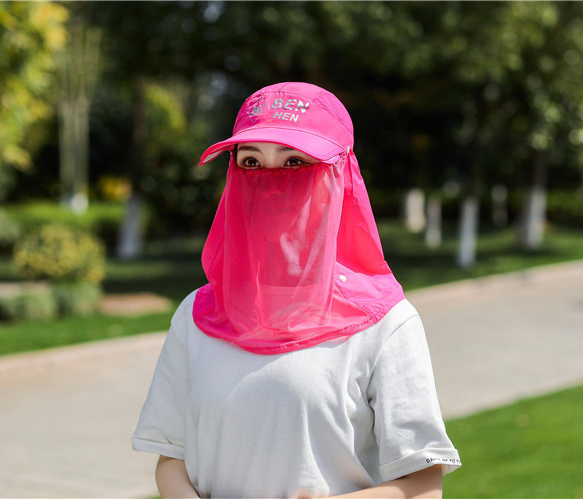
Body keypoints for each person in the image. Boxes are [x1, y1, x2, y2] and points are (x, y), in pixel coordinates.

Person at [132, 82, 461, 498]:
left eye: (294, 162)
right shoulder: (196, 315)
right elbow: (172, 457)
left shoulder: (386, 322)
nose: (270, 182)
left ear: (339, 175)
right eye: (251, 162)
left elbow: (423, 483)